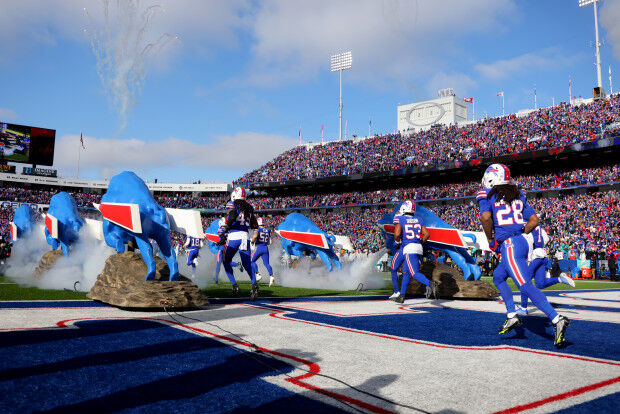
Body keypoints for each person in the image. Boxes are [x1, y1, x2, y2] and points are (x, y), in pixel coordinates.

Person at [477, 163, 569, 347]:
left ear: (491, 177)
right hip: (521, 241)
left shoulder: (485, 194)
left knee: (524, 285)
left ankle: (556, 319)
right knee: (498, 277)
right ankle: (512, 315)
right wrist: (521, 231)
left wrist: (490, 240)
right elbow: (534, 220)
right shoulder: (518, 194)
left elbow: (486, 218)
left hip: (510, 244)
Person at [517, 226, 575, 315]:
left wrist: (527, 257)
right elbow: (547, 239)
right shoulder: (540, 228)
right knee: (540, 283)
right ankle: (559, 279)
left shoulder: (526, 226)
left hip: (534, 256)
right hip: (543, 256)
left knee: (524, 282)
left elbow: (528, 242)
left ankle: (523, 308)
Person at [389, 200, 439, 303]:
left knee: (414, 273)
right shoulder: (418, 219)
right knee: (406, 272)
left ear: (404, 208)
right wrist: (418, 242)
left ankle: (430, 284)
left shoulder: (400, 218)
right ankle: (402, 296)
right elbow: (427, 234)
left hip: (409, 248)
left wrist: (397, 243)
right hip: (418, 247)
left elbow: (397, 234)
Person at [221, 187, 260, 300]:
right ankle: (254, 285)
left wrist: (227, 228)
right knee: (247, 263)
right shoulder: (249, 207)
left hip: (234, 236)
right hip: (245, 236)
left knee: (225, 261)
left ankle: (235, 286)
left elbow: (232, 216)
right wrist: (255, 233)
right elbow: (254, 224)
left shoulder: (232, 204)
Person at [213, 217, 242, 288]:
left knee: (219, 263)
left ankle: (216, 279)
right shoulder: (229, 229)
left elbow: (222, 238)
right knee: (227, 262)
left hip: (222, 248)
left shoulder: (220, 229)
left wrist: (218, 243)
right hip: (228, 247)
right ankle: (236, 264)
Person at [251, 217, 275, 287]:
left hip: (259, 247)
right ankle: (271, 276)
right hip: (265, 247)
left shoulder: (257, 229)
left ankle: (257, 274)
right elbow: (269, 241)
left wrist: (252, 242)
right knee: (267, 264)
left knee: (251, 261)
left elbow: (255, 236)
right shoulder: (268, 230)